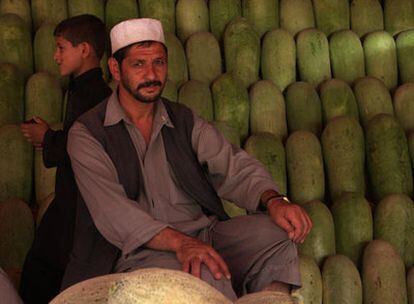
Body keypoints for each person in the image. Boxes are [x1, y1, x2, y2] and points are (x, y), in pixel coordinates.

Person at [62, 18, 312, 300]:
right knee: (203, 273)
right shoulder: (88, 134)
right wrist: (181, 243)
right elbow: (114, 213)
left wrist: (273, 200)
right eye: (139, 64)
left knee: (276, 237)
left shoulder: (183, 119)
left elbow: (232, 165)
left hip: (204, 234)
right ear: (116, 69)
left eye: (159, 62)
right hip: (141, 251)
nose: (152, 74)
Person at [19, 14, 112, 303]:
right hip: (70, 199)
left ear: (84, 50)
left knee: (45, 272)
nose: (55, 56)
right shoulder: (84, 89)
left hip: (80, 204)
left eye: (61, 47)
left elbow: (82, 148)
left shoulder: (94, 94)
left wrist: (46, 137)